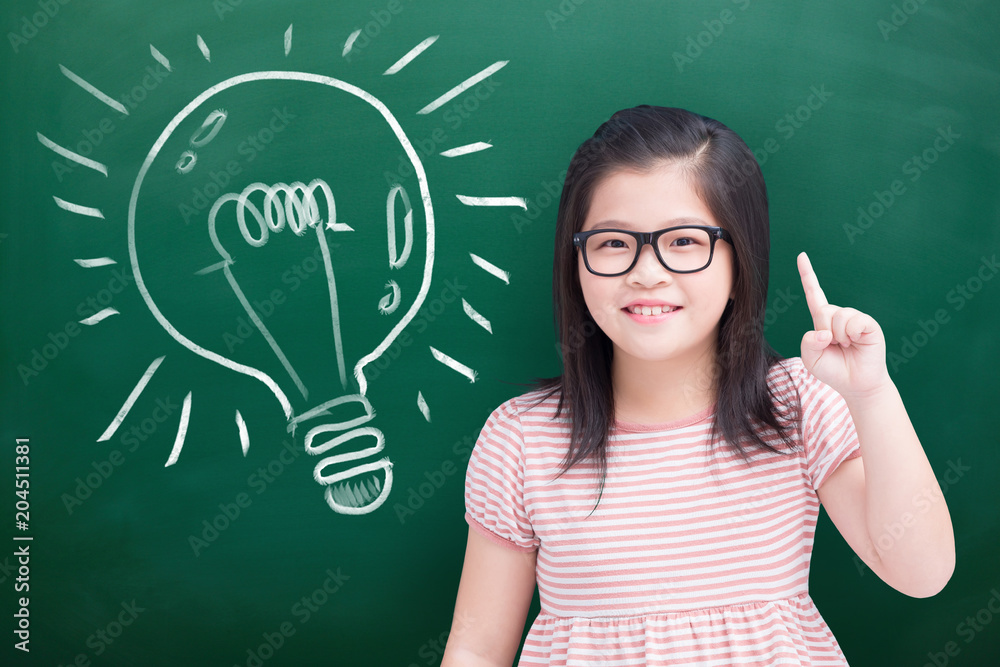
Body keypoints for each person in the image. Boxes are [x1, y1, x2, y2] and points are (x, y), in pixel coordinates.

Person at [440, 105, 954, 666]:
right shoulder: (522, 439)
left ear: (740, 260)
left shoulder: (797, 402)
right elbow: (477, 649)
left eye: (684, 241)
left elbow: (921, 573)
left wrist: (871, 395)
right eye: (613, 242)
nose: (647, 271)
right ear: (576, 260)